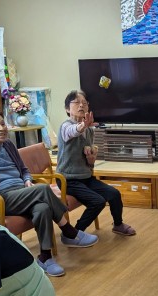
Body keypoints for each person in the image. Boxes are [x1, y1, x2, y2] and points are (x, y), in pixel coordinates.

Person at [0, 107, 98, 277]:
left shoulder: (8, 145)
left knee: (42, 208)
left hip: (22, 192)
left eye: (3, 124)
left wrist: (27, 180)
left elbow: (23, 169)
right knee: (42, 189)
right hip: (1, 199)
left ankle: (45, 257)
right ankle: (68, 230)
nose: (1, 128)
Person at [57, 90, 136, 236]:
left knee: (114, 194)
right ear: (67, 109)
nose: (81, 105)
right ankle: (74, 233)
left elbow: (89, 158)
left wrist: (91, 160)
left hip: (85, 177)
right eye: (77, 102)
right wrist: (83, 126)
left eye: (84, 103)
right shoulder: (65, 126)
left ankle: (118, 224)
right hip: (68, 179)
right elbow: (73, 131)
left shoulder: (90, 130)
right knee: (97, 201)